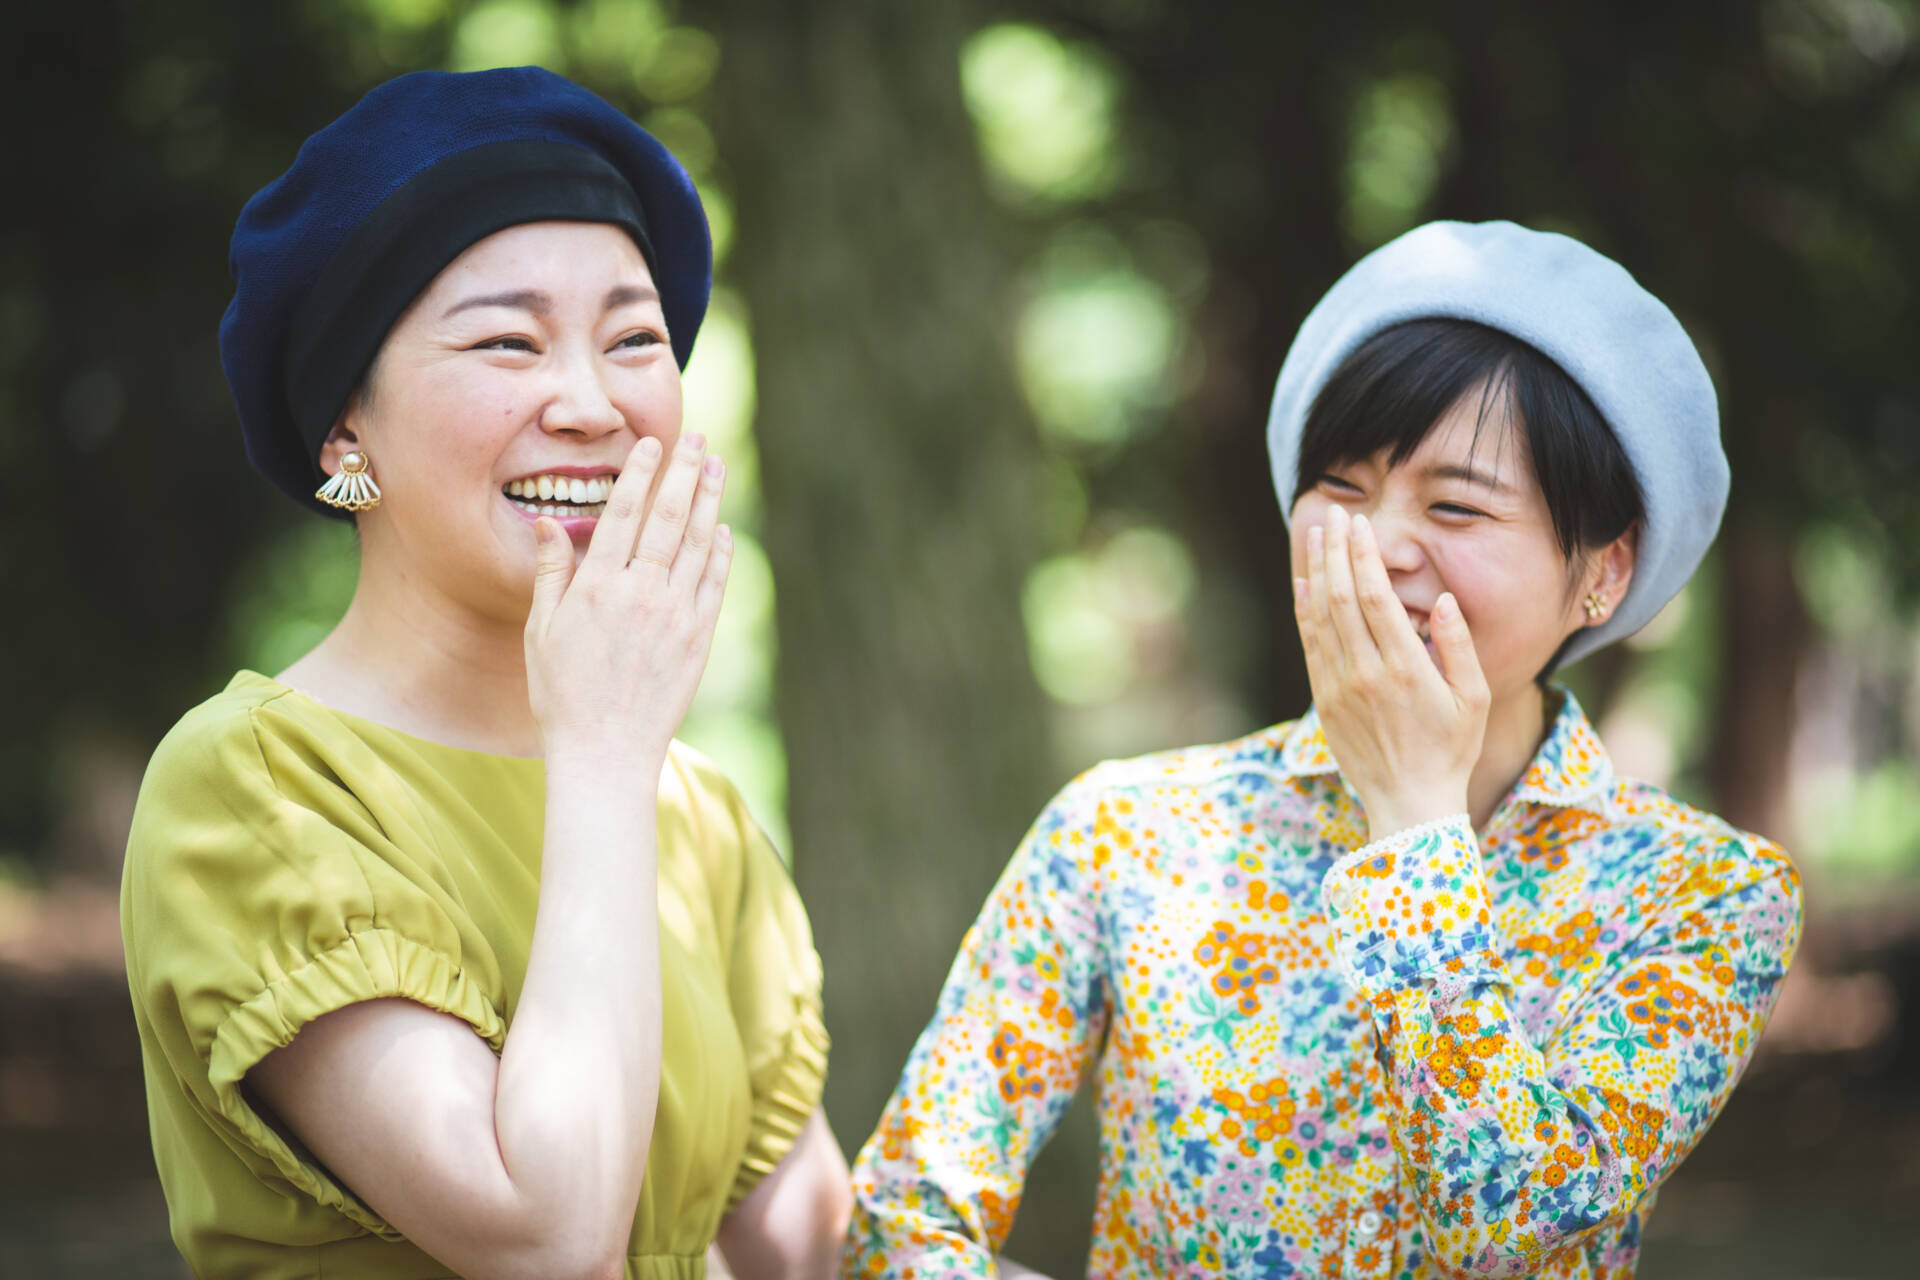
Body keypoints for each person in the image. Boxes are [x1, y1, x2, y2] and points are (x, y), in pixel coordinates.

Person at [843, 221, 1803, 1279]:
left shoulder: (1707, 894)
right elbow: (899, 1223)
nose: (1376, 546)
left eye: (1455, 505)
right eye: (1342, 489)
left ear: (1605, 572)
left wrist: (1414, 821)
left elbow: (1510, 1227)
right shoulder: (1121, 834)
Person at [120, 67, 849, 1280]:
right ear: (345, 424)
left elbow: (813, 1249)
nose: (591, 404)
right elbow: (545, 1235)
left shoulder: (697, 811)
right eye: (508, 341)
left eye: (634, 338)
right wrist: (604, 749)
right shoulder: (257, 785)